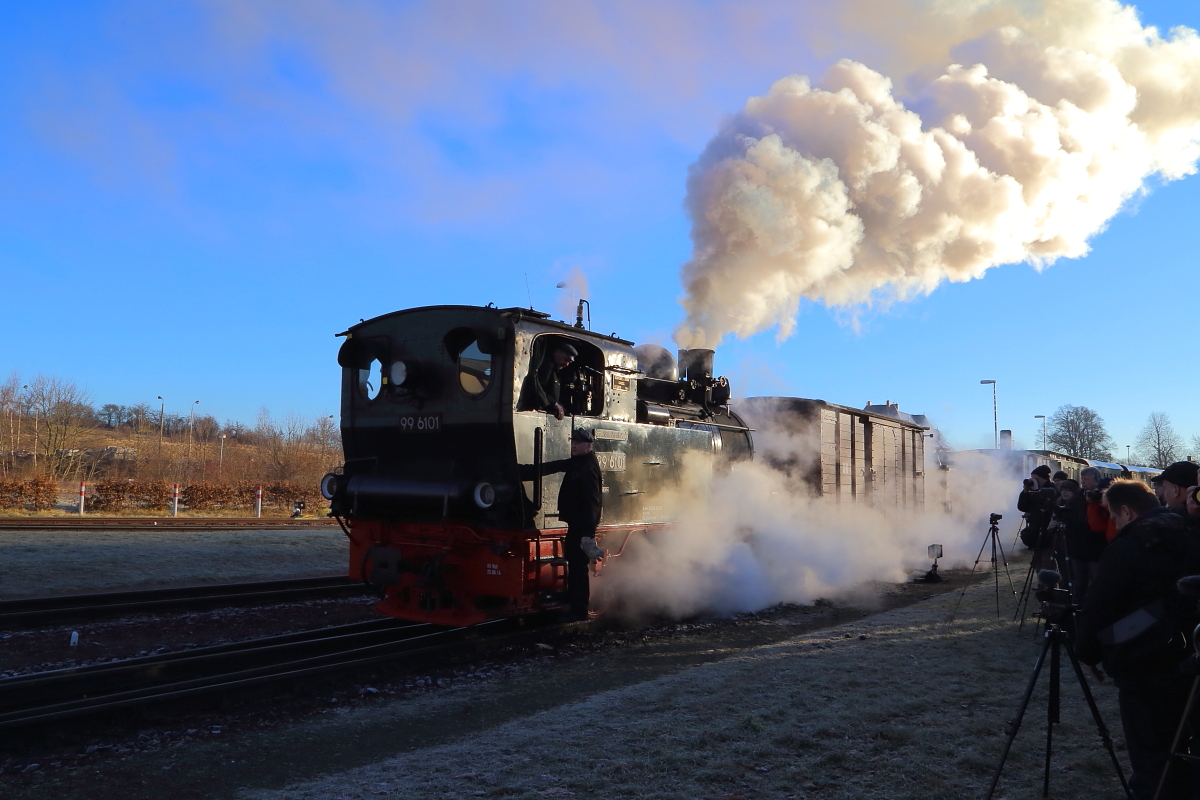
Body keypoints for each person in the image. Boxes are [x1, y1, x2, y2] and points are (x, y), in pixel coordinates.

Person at [1077, 480, 1200, 800]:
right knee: (1187, 751)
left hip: (1144, 666)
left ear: (1127, 512)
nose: (1115, 524)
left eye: (1114, 517)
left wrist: (1087, 652)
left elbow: (1099, 606)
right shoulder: (1188, 532)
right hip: (1191, 658)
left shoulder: (1129, 546)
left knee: (1151, 757)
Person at [523, 428, 602, 621]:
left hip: (581, 526)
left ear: (588, 445)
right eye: (572, 442)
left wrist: (588, 534)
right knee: (573, 563)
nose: (573, 445)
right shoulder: (578, 462)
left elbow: (593, 502)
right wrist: (522, 471)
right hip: (575, 524)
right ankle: (572, 599)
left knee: (579, 567)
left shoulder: (588, 468)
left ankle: (579, 610)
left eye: (578, 443)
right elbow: (555, 466)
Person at [519, 342, 578, 420]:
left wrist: (563, 409)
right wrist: (554, 404)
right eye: (565, 359)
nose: (566, 364)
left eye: (569, 362)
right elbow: (540, 388)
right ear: (557, 352)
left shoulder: (556, 371)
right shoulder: (547, 365)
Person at [1018, 465, 1058, 565]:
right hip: (1035, 530)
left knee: (1046, 561)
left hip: (1048, 531)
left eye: (1036, 478)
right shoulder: (1033, 490)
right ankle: (1040, 575)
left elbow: (1045, 506)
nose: (1033, 481)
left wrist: (1036, 491)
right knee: (1037, 562)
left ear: (1044, 478)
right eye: (1032, 478)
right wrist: (1025, 492)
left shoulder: (1052, 490)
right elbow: (1022, 507)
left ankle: (1047, 575)